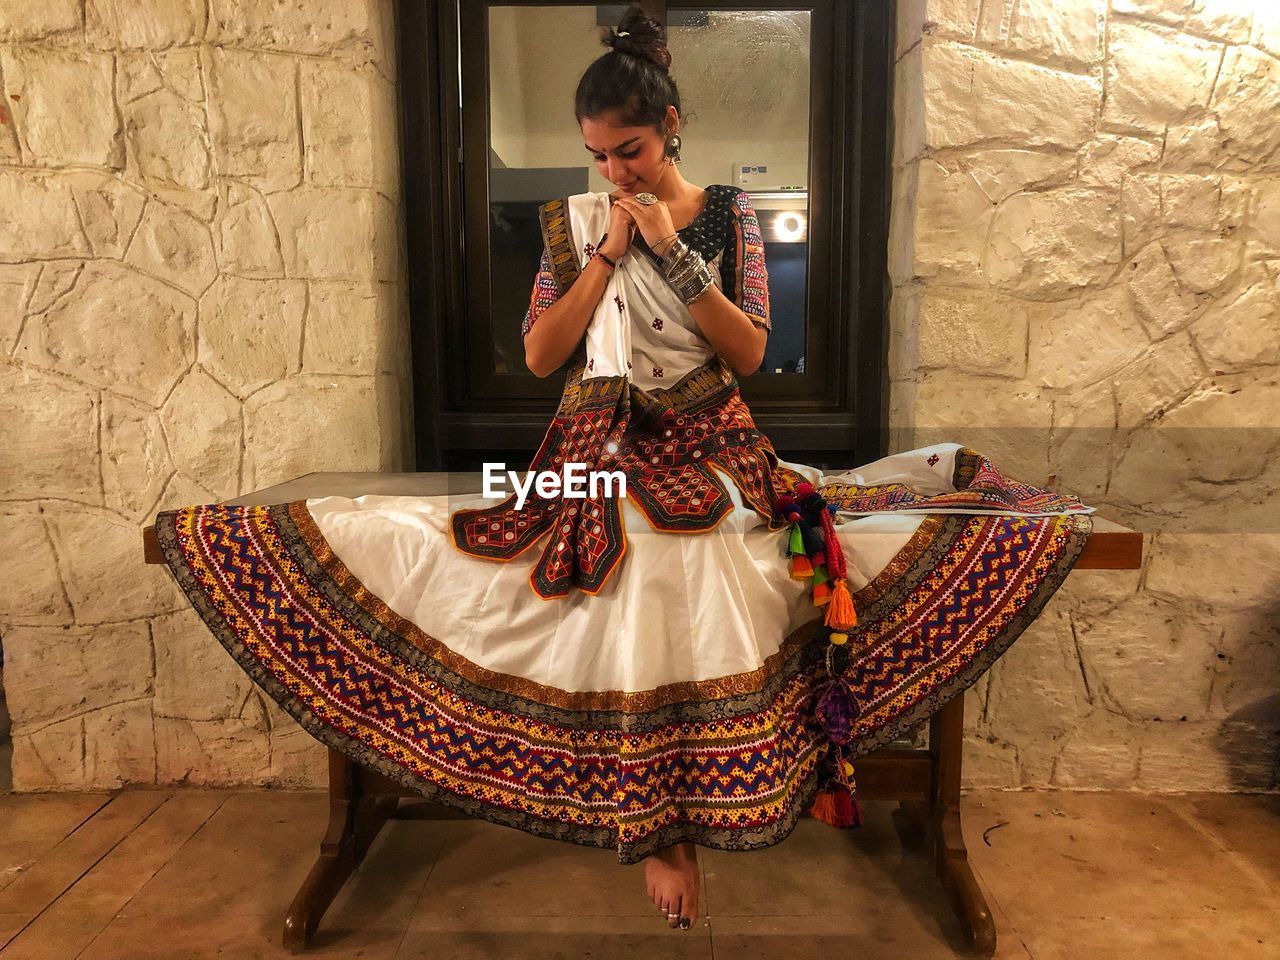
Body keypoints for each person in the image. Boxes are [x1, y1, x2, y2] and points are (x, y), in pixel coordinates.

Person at [155, 5, 1095, 934]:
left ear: (671, 127)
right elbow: (539, 356)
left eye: (631, 151)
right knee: (603, 545)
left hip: (711, 438)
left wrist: (673, 254)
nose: (614, 171)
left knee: (693, 545)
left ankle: (670, 809)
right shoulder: (570, 229)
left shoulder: (732, 217)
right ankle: (656, 826)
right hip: (589, 446)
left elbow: (754, 350)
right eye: (599, 155)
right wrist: (608, 250)